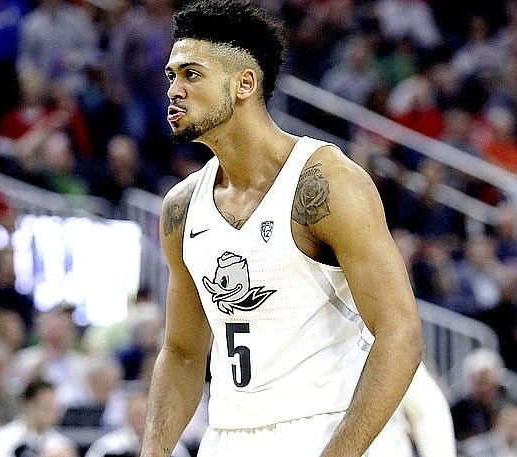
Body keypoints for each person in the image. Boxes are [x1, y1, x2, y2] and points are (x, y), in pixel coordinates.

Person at [140, 1, 424, 456]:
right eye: (171, 76)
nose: (174, 90)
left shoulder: (327, 182)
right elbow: (182, 353)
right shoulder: (181, 208)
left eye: (192, 75)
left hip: (328, 429)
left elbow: (401, 332)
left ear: (244, 84)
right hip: (229, 436)